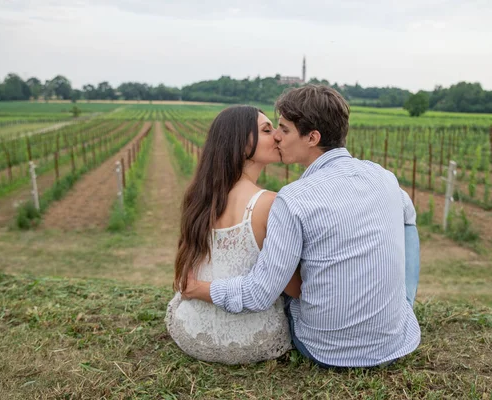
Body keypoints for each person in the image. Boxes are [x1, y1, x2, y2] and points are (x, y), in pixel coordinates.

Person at [183, 85, 421, 368]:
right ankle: (401, 306)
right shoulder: (383, 177)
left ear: (312, 137)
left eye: (283, 128)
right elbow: (408, 216)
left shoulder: (292, 199)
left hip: (324, 350)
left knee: (283, 291)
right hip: (396, 341)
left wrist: (199, 289)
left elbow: (260, 294)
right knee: (405, 226)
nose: (277, 137)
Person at [165, 105, 297, 365]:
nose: (277, 136)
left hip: (192, 332)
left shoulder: (200, 197)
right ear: (241, 142)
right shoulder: (270, 203)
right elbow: (292, 286)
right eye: (267, 130)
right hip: (253, 341)